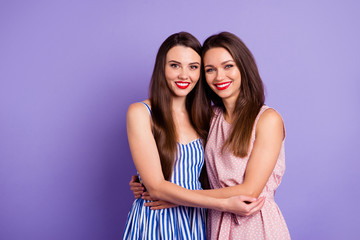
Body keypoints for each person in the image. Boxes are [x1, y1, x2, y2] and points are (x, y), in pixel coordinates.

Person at [130, 32, 290, 239]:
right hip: (213, 222)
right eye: (210, 70)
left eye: (228, 66)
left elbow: (249, 191)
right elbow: (197, 171)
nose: (220, 76)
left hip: (252, 221)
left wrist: (176, 197)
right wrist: (146, 182)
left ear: (243, 67)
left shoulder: (267, 119)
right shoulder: (209, 117)